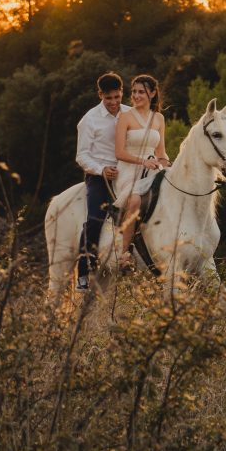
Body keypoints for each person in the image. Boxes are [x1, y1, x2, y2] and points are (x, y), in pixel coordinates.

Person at [74, 72, 130, 291]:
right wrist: (101, 169)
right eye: (109, 98)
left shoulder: (129, 113)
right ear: (100, 95)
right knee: (95, 218)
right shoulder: (89, 120)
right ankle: (84, 271)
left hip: (128, 172)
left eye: (117, 97)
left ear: (122, 93)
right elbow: (82, 155)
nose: (114, 103)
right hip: (99, 176)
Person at [113, 74, 170, 260]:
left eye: (141, 92)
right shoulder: (125, 117)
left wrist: (166, 164)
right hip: (129, 168)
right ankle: (124, 252)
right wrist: (143, 161)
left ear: (152, 93)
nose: (136, 96)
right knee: (136, 200)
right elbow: (119, 152)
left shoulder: (159, 118)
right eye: (134, 92)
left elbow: (161, 152)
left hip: (153, 167)